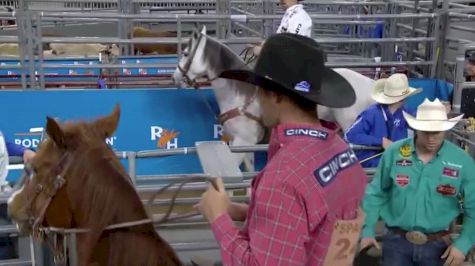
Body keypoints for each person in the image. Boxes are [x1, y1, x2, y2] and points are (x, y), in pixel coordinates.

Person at [195, 33, 368, 265]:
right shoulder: (341, 151)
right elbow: (311, 223)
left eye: (258, 90)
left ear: (274, 95)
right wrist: (245, 212)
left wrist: (218, 218)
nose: (255, 97)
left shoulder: (283, 177)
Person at [359, 98, 475, 266]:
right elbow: (376, 193)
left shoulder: (462, 161)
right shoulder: (393, 153)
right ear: (415, 128)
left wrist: (463, 244)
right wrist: (367, 230)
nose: (431, 138)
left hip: (438, 245)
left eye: (437, 132)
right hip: (395, 242)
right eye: (426, 131)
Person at [344, 73, 421, 168]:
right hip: (373, 160)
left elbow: (419, 120)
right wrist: (380, 141)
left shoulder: (404, 111)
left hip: (394, 159)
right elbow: (349, 135)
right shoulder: (372, 113)